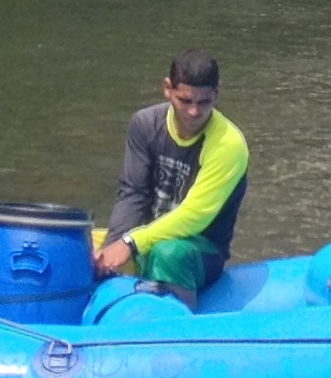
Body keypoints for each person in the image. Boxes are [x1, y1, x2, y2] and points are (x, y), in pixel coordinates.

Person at [98, 51, 249, 304]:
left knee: (168, 253)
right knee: (78, 244)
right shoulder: (145, 124)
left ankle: (178, 323)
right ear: (168, 89)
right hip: (145, 236)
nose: (193, 112)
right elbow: (133, 194)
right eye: (185, 100)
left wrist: (131, 243)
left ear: (217, 94)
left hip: (199, 249)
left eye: (204, 102)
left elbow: (195, 216)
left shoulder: (228, 144)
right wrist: (113, 247)